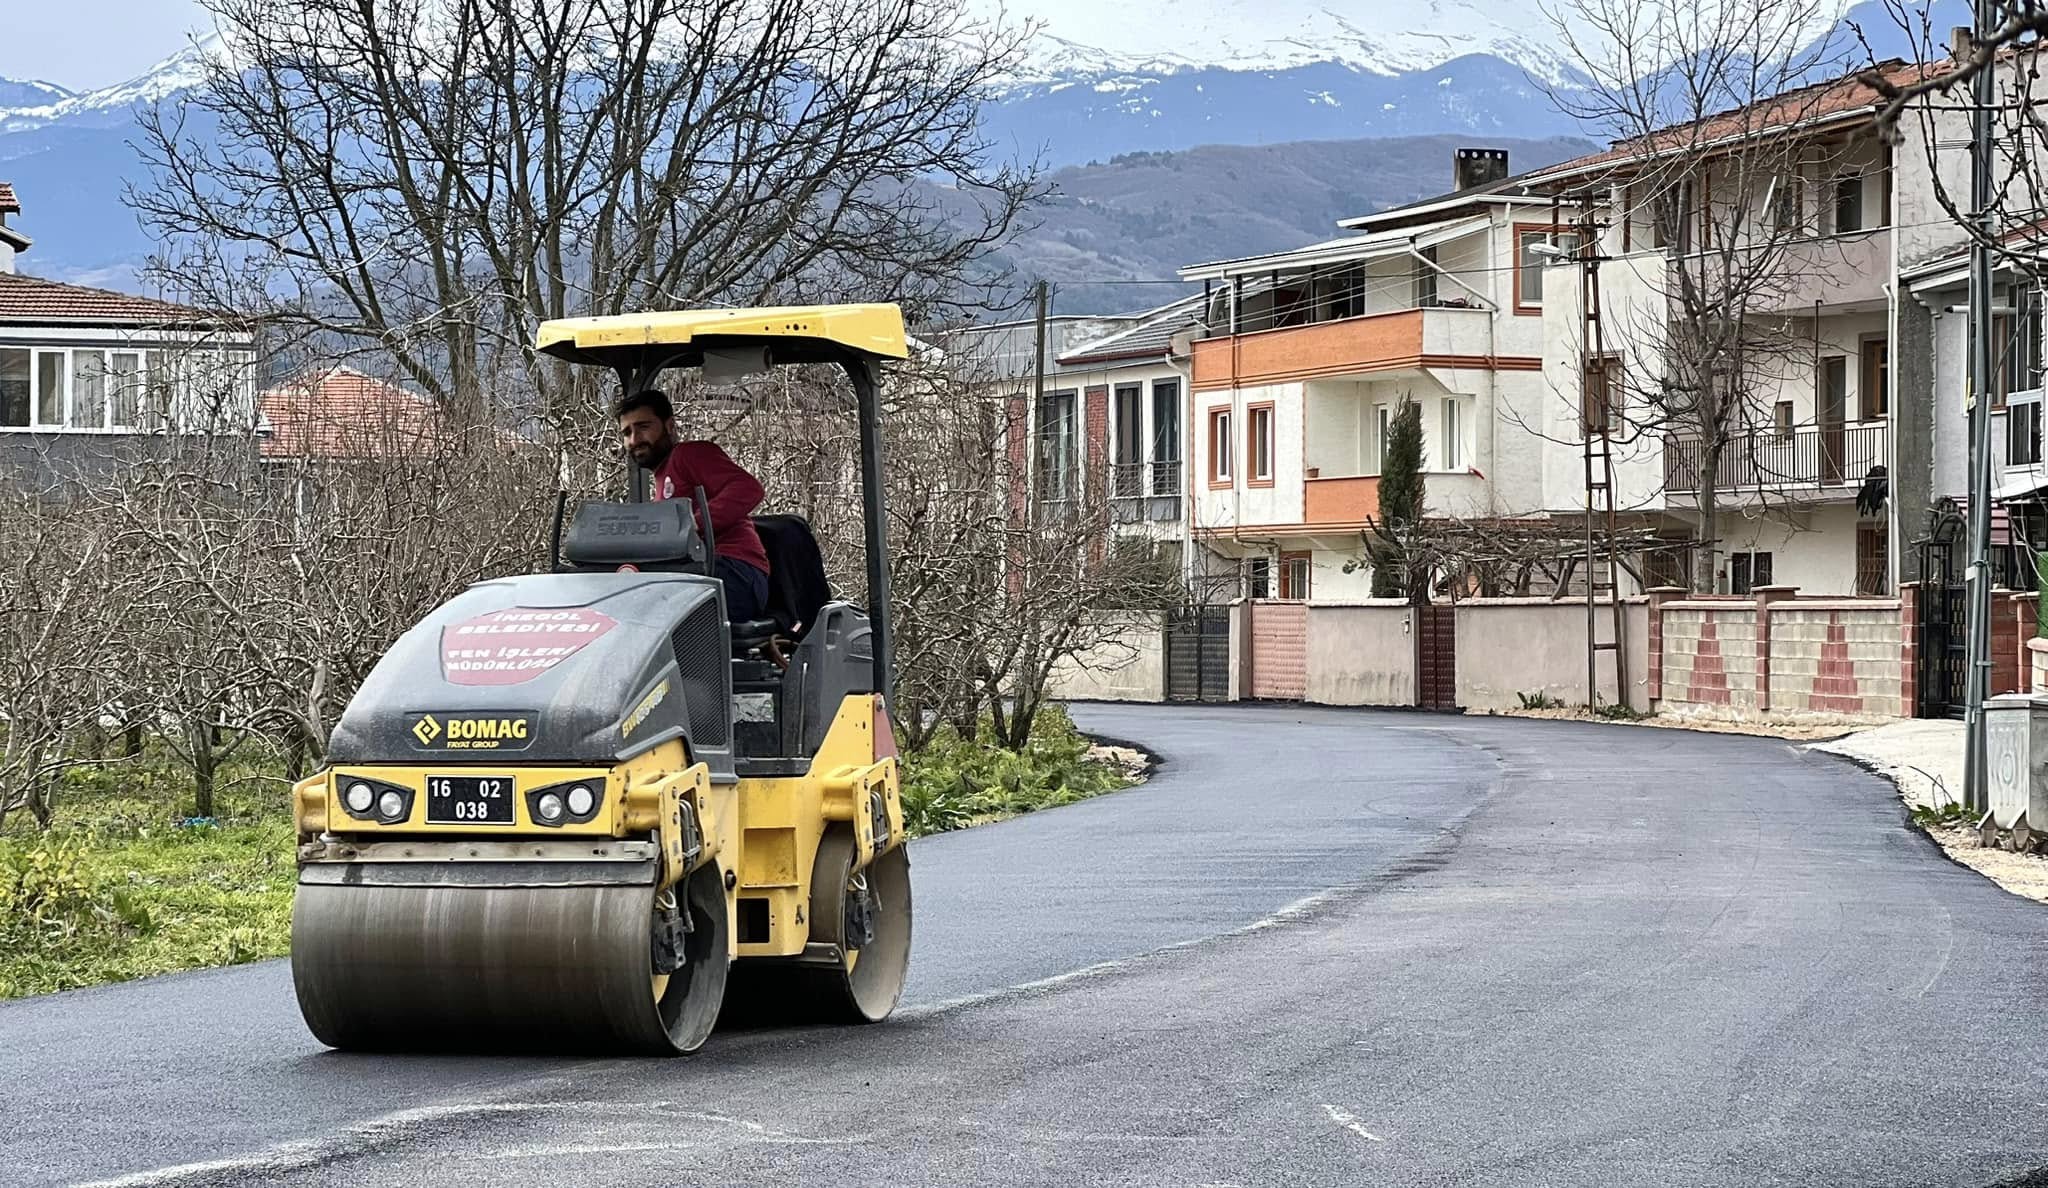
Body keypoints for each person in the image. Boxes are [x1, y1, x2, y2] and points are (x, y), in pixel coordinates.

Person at [615, 389, 772, 622]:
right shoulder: (661, 478)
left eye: (643, 427)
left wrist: (690, 525)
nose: (634, 439)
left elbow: (748, 488)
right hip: (697, 573)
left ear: (669, 426)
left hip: (733, 572)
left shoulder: (689, 454)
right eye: (627, 432)